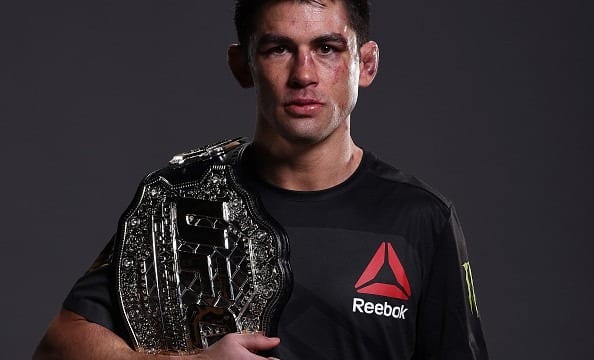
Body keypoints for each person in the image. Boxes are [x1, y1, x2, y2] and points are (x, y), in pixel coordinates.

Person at [34, 0, 488, 359]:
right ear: (242, 65)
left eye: (327, 48)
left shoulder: (421, 218)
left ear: (365, 64)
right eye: (278, 49)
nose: (304, 75)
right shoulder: (181, 200)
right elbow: (59, 346)